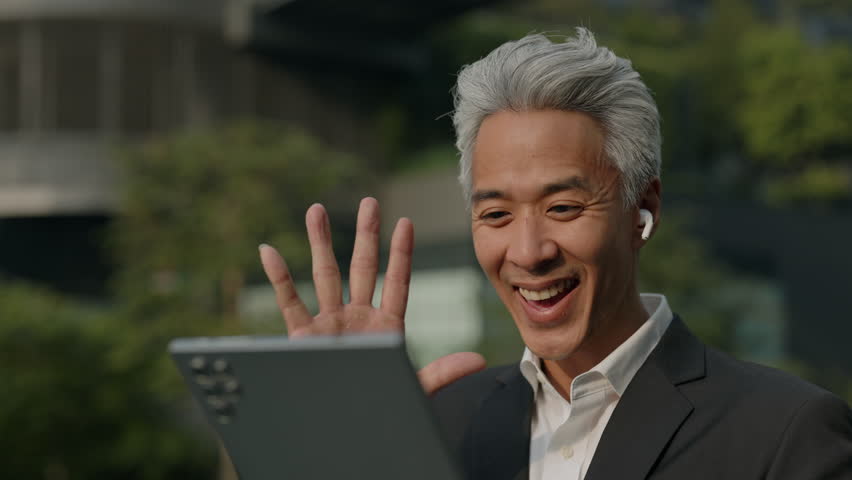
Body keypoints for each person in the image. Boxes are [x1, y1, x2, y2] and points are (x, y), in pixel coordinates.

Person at [258, 28, 852, 479]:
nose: (528, 250)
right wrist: (333, 442)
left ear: (642, 210)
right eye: (495, 214)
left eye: (563, 207)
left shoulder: (784, 434)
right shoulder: (438, 425)